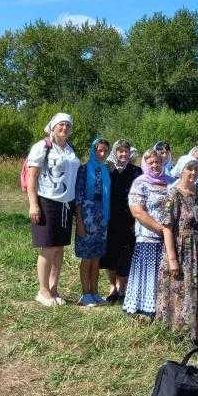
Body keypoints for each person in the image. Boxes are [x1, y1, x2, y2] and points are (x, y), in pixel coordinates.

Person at [156, 155, 198, 341]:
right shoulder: (173, 194)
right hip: (182, 251)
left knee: (196, 291)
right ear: (181, 170)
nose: (193, 172)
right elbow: (167, 227)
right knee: (181, 291)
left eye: (196, 169)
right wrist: (172, 259)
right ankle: (180, 335)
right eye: (189, 168)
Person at [26, 113, 80, 307]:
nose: (64, 128)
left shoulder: (69, 149)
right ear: (52, 126)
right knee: (48, 247)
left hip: (66, 203)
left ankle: (54, 288)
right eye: (61, 125)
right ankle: (43, 291)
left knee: (59, 248)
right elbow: (32, 177)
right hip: (47, 201)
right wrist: (33, 204)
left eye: (67, 125)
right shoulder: (42, 147)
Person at [123, 149, 173, 316]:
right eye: (151, 162)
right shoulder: (140, 183)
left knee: (164, 273)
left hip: (168, 240)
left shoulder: (170, 182)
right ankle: (145, 308)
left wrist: (168, 233)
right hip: (148, 237)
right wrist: (161, 229)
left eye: (158, 162)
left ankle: (163, 309)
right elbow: (137, 211)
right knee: (148, 272)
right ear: (145, 164)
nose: (155, 165)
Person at [103, 139, 142, 303]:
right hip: (111, 219)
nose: (123, 154)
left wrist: (138, 220)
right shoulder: (108, 170)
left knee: (126, 254)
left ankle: (122, 288)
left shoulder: (136, 171)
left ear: (130, 152)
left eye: (126, 151)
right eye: (120, 151)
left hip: (130, 219)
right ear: (115, 153)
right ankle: (112, 286)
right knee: (111, 254)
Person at [74, 138, 111, 306]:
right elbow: (78, 198)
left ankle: (95, 292)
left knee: (96, 257)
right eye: (99, 150)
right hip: (87, 217)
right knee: (87, 258)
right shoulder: (84, 169)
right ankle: (85, 293)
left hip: (102, 217)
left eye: (105, 151)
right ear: (93, 150)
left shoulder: (105, 170)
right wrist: (80, 222)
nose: (102, 154)